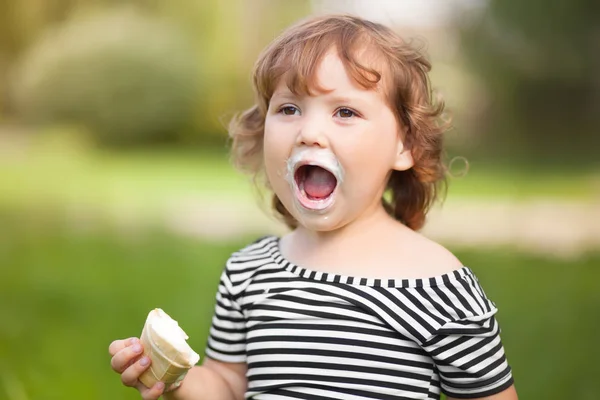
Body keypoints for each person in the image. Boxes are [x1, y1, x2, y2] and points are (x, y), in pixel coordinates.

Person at [108, 14, 518, 400]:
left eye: (344, 111)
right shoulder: (249, 272)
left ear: (404, 145)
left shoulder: (438, 288)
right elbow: (228, 383)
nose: (310, 133)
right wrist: (173, 376)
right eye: (289, 109)